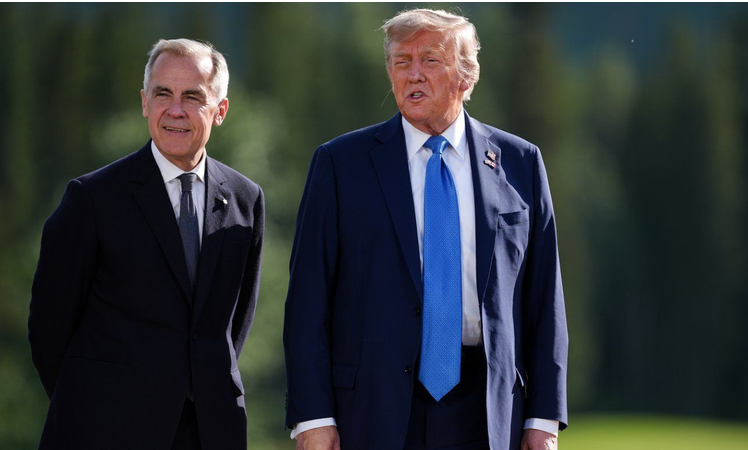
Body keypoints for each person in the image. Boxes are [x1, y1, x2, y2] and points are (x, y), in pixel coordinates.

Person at [284, 8, 567, 450]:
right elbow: (308, 299)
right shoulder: (340, 164)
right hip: (373, 408)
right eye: (402, 61)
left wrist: (543, 417)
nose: (413, 74)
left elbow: (544, 298)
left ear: (466, 76)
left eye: (430, 60)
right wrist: (312, 417)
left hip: (489, 409)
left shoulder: (520, 162)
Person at [29, 38, 264, 450]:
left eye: (192, 97)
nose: (175, 110)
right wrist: (90, 403)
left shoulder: (246, 199)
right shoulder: (92, 199)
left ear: (220, 110)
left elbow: (234, 325)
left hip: (211, 431)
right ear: (144, 102)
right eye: (162, 94)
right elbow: (49, 329)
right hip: (105, 431)